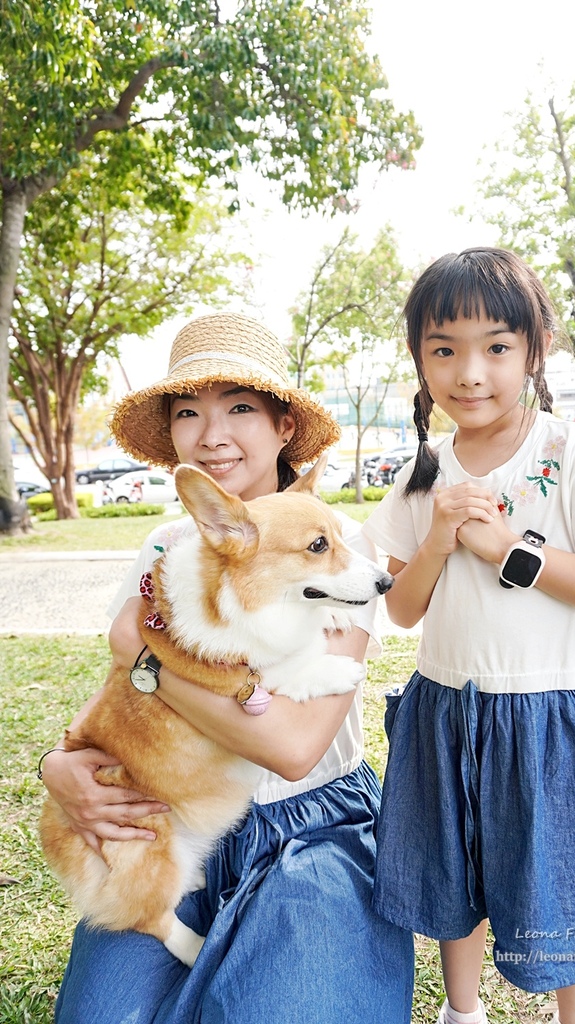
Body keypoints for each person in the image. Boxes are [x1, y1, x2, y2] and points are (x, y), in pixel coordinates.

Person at [39, 312, 414, 1024]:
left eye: (239, 408)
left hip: (311, 827)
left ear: (282, 427)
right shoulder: (166, 545)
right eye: (188, 413)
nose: (211, 435)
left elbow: (292, 746)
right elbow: (121, 698)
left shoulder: (335, 547)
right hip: (171, 813)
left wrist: (146, 655)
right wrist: (60, 765)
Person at [361, 249, 575, 1024]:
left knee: (564, 873)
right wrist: (439, 539)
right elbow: (402, 610)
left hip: (555, 713)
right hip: (449, 709)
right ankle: (461, 1010)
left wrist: (511, 552)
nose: (469, 372)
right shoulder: (423, 470)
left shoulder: (568, 453)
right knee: (456, 866)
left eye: (496, 347)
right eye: (443, 349)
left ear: (534, 352)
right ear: (419, 360)